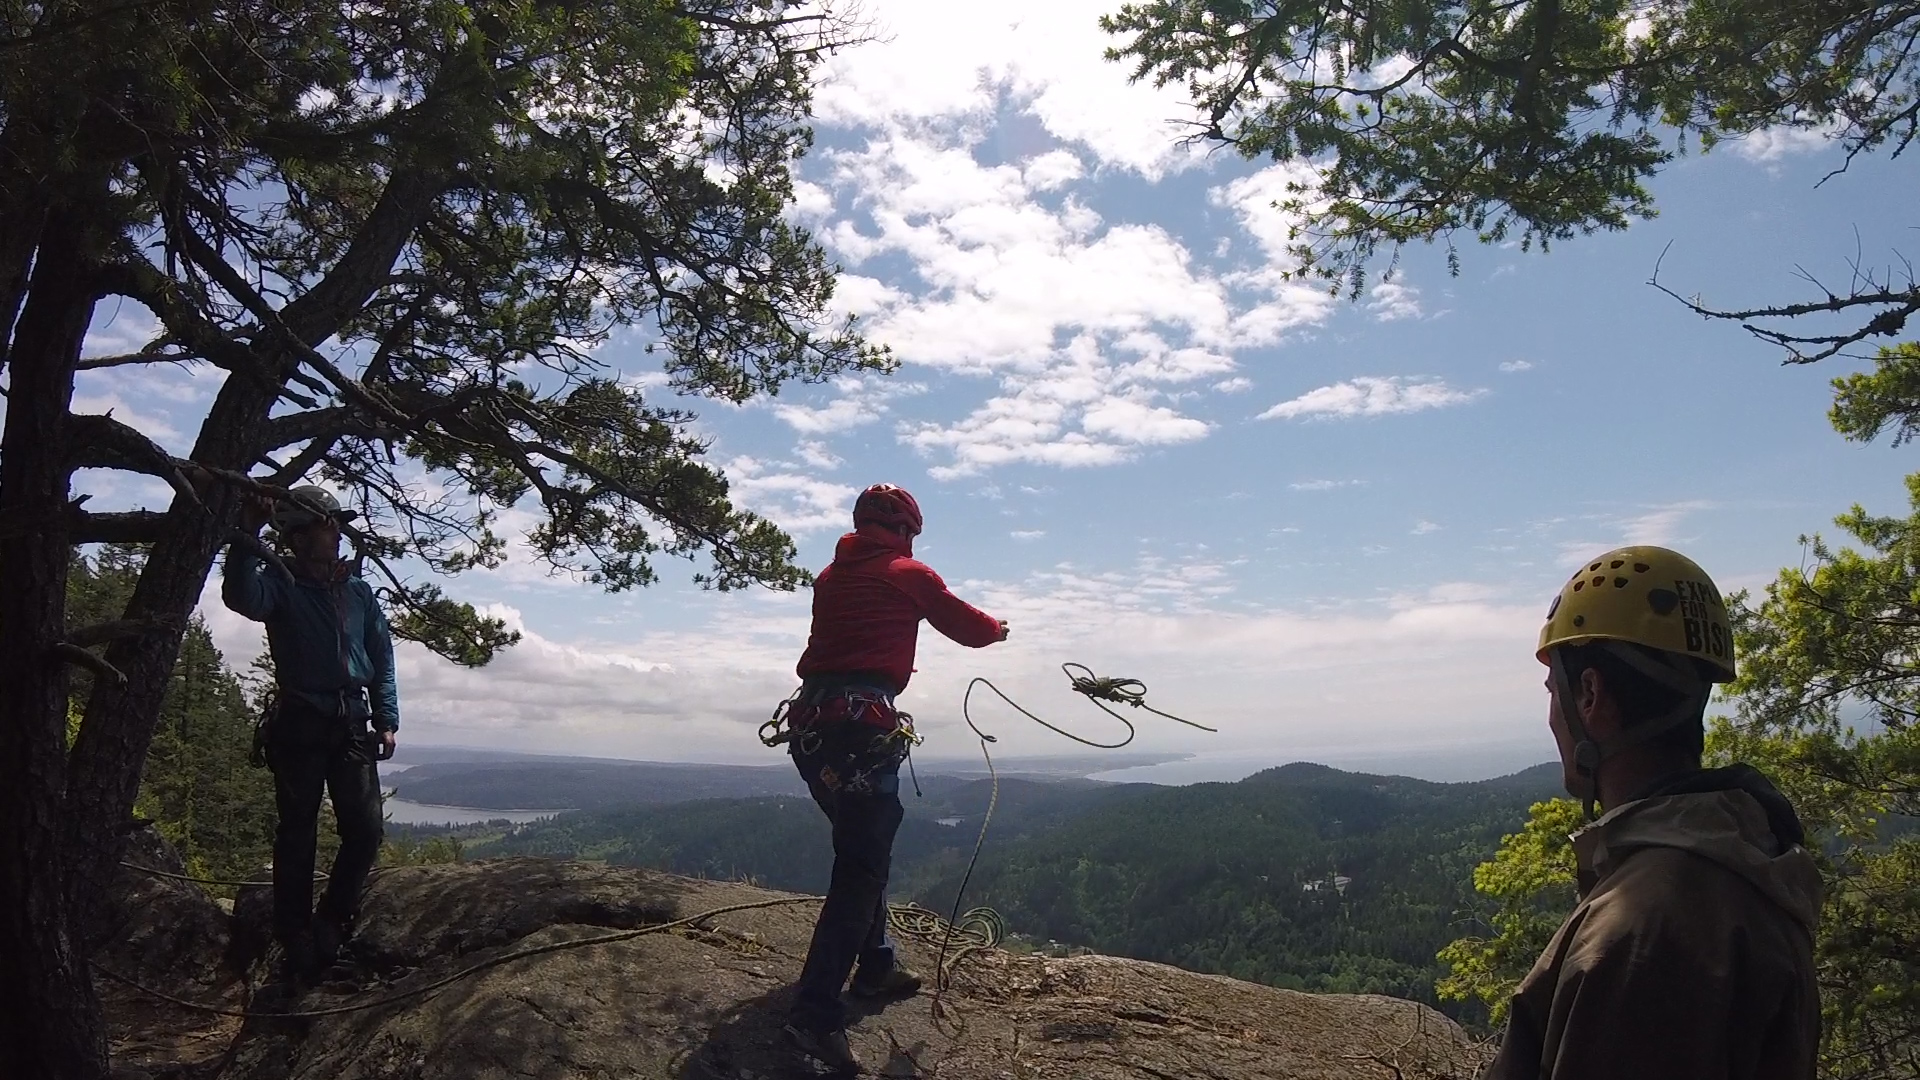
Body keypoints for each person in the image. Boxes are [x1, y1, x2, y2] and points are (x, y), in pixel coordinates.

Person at [1486, 546, 1822, 1080]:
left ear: (1590, 694)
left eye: (1555, 691)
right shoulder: (1748, 864)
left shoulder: (1640, 933)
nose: (1551, 716)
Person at [779, 483, 1009, 1073]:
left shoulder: (831, 576)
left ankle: (876, 964)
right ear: (907, 528)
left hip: (814, 730)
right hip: (862, 734)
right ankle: (813, 1010)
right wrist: (1000, 628)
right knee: (861, 866)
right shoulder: (908, 572)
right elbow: (970, 628)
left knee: (863, 851)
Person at [223, 485, 398, 985]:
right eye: (327, 525)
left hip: (350, 722)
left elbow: (381, 656)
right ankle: (295, 937)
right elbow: (240, 596)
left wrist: (386, 716)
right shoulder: (279, 582)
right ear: (299, 535)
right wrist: (247, 533)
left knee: (365, 829)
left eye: (336, 524)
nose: (336, 532)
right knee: (297, 833)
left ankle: (330, 923)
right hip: (300, 722)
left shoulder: (358, 591)